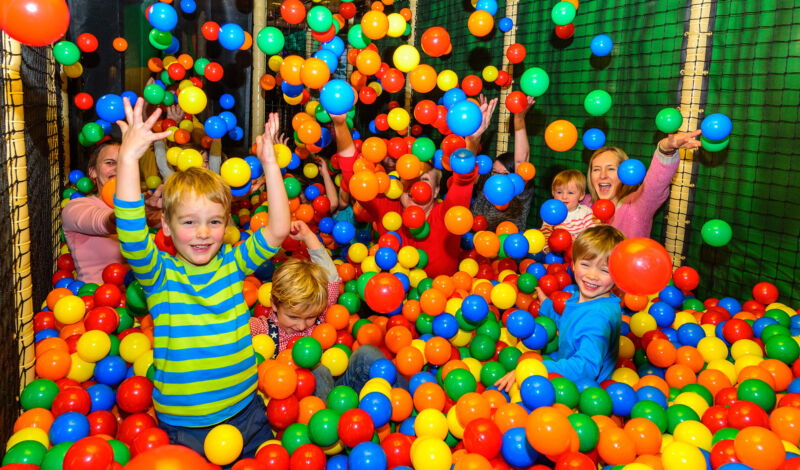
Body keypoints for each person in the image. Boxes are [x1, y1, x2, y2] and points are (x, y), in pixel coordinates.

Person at [113, 97, 290, 458]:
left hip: (246, 412)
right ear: (166, 225)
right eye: (189, 222)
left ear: (226, 225)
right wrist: (129, 160)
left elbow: (277, 230)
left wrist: (271, 164)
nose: (203, 233)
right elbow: (131, 234)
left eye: (214, 221)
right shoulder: (160, 275)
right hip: (185, 425)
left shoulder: (232, 265)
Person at [249, 220, 384, 401]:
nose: (301, 325)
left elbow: (331, 277)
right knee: (315, 370)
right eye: (293, 317)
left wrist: (307, 237)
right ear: (274, 304)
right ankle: (329, 425)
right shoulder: (263, 329)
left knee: (368, 353)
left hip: (337, 391)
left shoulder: (320, 311)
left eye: (310, 317)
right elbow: (235, 330)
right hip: (292, 400)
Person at [333, 114, 478, 278]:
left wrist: (473, 141)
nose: (416, 186)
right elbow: (354, 178)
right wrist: (340, 124)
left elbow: (463, 180)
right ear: (400, 183)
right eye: (409, 178)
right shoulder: (387, 209)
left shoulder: (446, 215)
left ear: (437, 190)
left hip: (441, 298)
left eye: (424, 179)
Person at [495, 225, 626, 388]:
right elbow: (571, 320)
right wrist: (548, 306)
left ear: (618, 276)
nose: (592, 275)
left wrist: (539, 368)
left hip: (583, 389)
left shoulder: (598, 318)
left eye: (604, 270)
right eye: (585, 265)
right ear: (573, 264)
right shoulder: (581, 297)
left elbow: (586, 367)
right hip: (564, 370)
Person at [62, 141, 161, 283]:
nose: (118, 169)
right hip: (98, 299)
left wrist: (169, 209)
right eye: (110, 163)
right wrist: (134, 210)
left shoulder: (142, 207)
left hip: (141, 295)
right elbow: (102, 221)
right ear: (93, 171)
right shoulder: (76, 207)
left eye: (124, 163)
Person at [586, 130, 702, 238]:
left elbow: (655, 185)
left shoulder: (636, 206)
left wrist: (666, 150)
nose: (602, 175)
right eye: (596, 169)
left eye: (611, 169)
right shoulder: (583, 204)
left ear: (625, 174)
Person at [468, 95, 537, 232]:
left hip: (506, 247)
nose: (497, 178)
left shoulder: (518, 193)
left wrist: (519, 119)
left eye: (505, 174)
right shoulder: (485, 186)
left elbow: (521, 162)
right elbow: (467, 167)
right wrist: (477, 129)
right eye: (495, 172)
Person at [540, 169, 597, 242]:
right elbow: (546, 233)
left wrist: (577, 241)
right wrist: (547, 248)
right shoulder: (551, 213)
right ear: (553, 193)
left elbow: (593, 233)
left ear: (581, 195)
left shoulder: (586, 212)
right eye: (559, 192)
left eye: (570, 193)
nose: (564, 197)